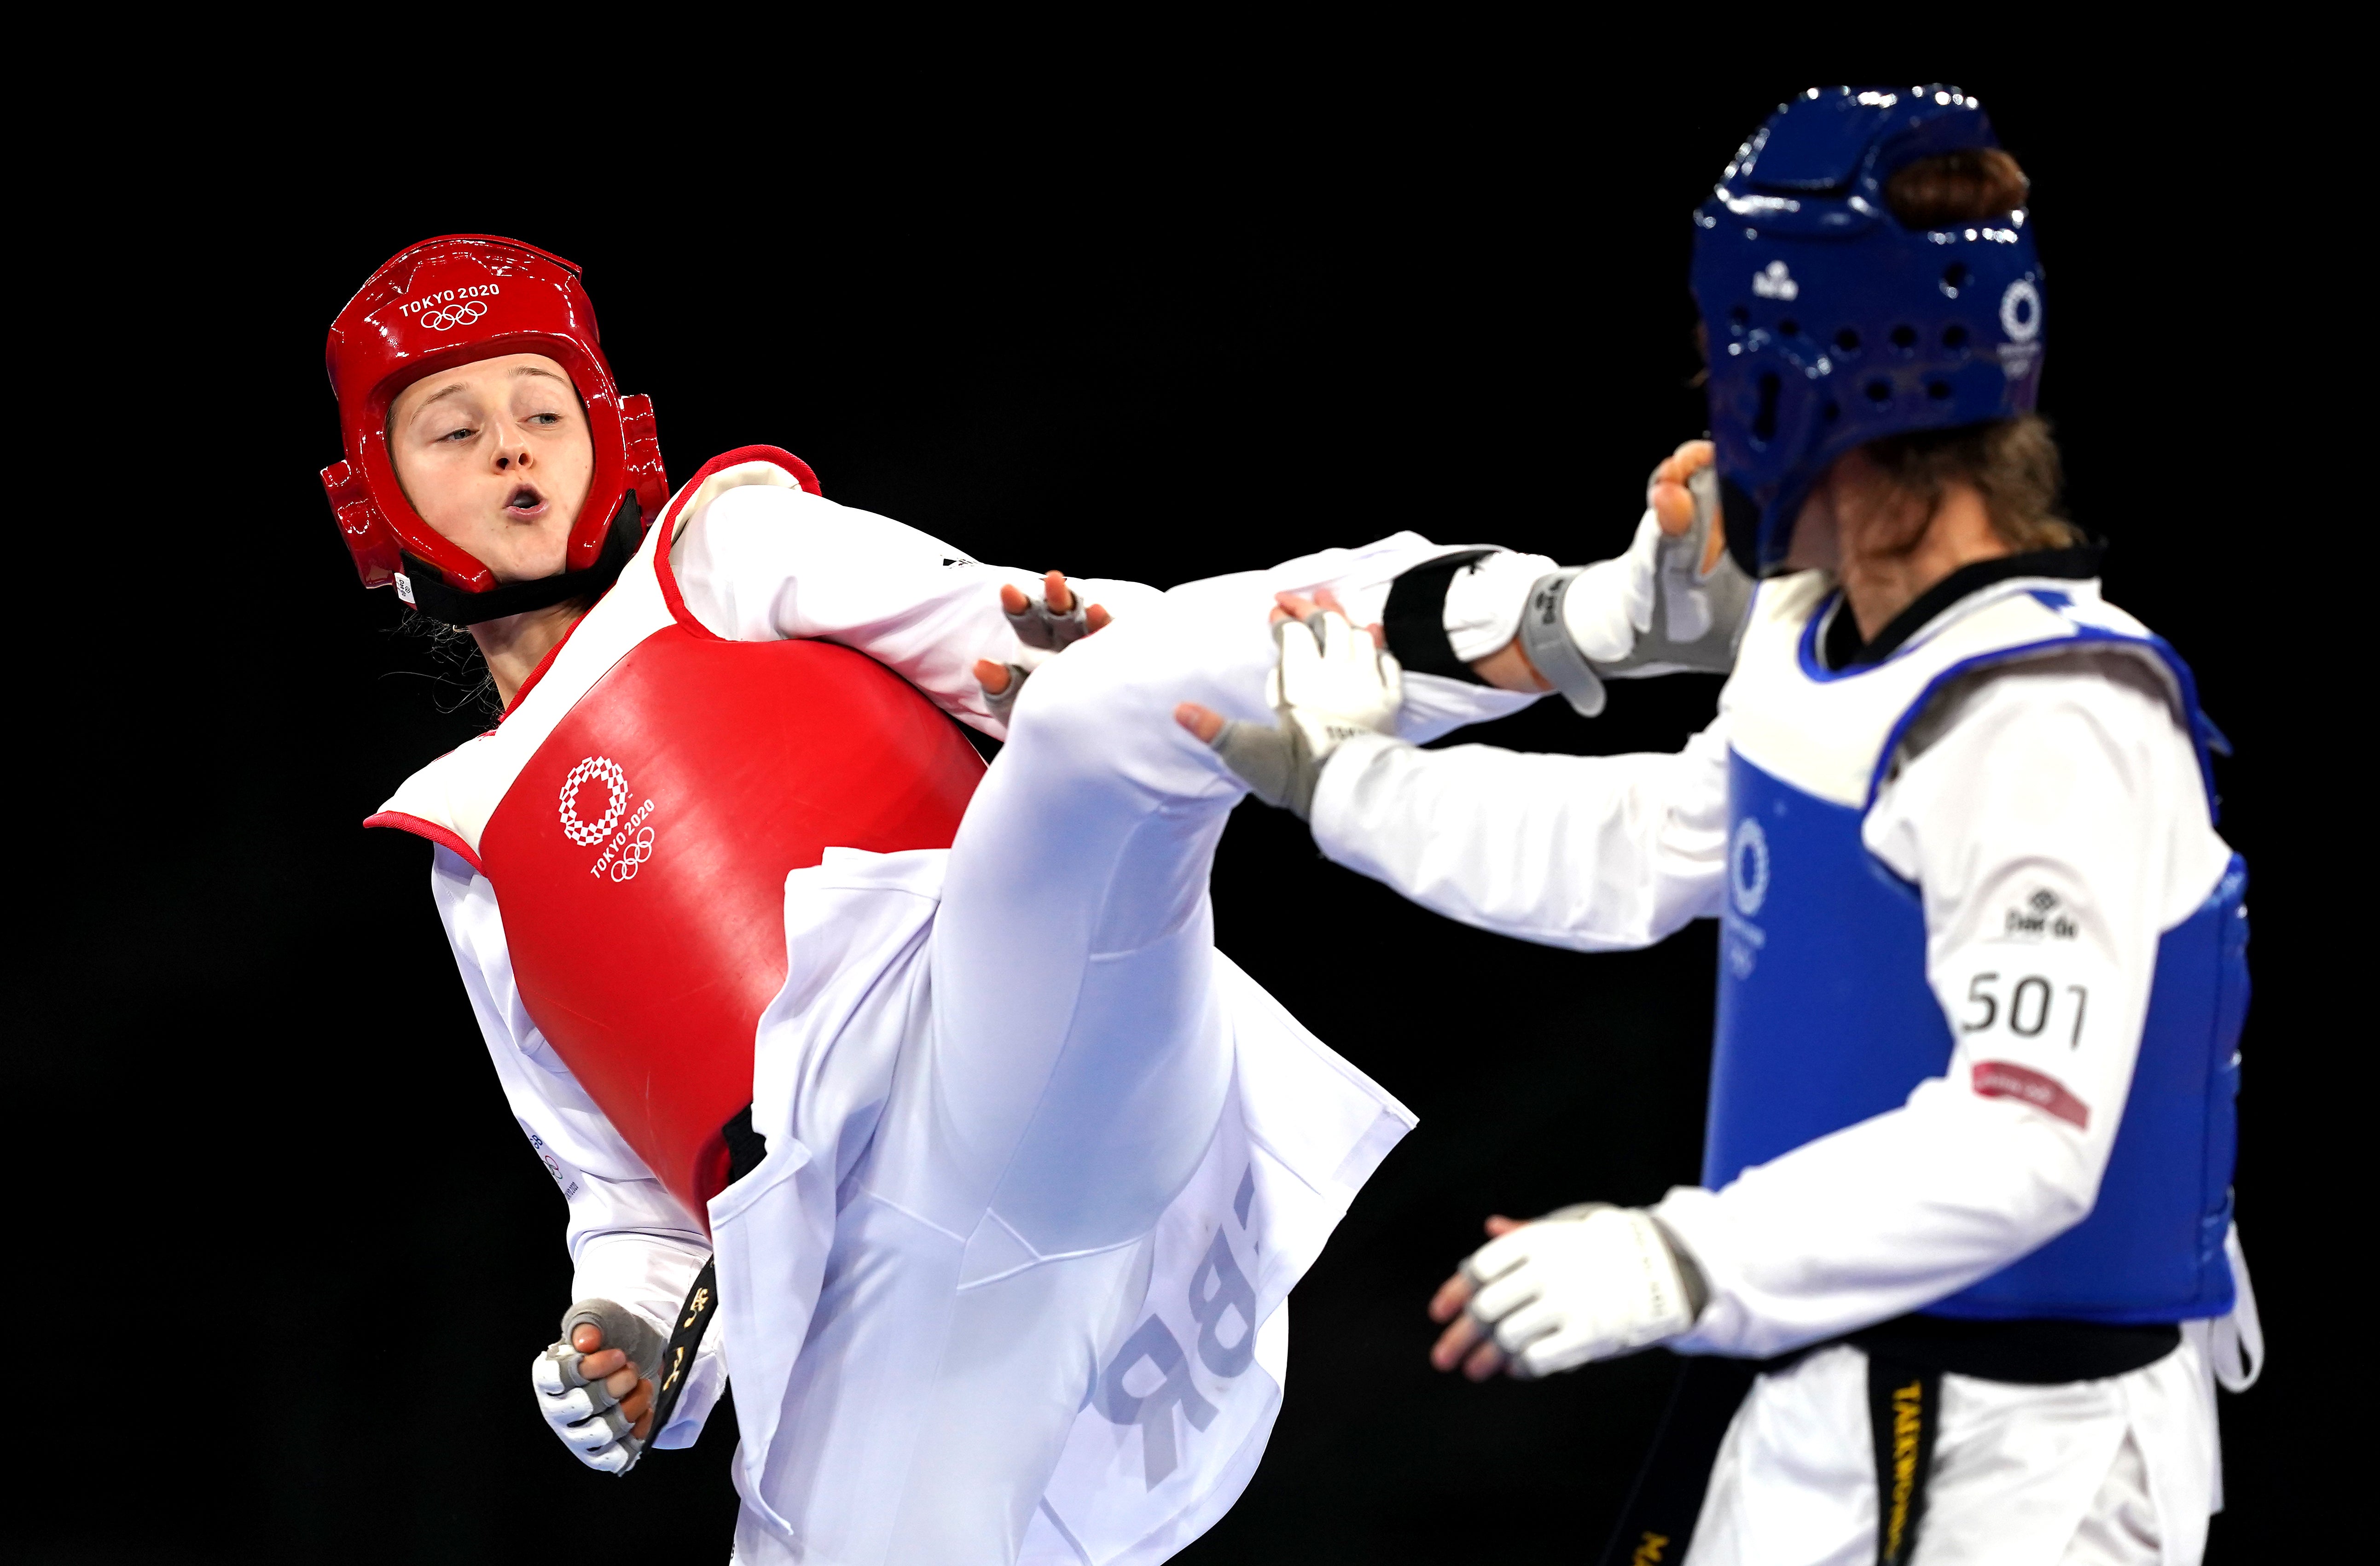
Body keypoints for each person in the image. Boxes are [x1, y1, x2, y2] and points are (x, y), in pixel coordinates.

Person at [324, 233, 1654, 1565]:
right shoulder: (470, 854)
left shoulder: (719, 552)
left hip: (994, 1011)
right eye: (453, 428)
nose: (511, 449)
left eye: (540, 411)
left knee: (1099, 711)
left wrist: (1156, 671)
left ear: (610, 436)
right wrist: (616, 1332)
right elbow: (625, 1202)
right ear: (374, 504)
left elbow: (1012, 633)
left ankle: (1570, 613)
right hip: (880, 1269)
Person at [1181, 88, 2263, 1564]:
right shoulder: (1820, 637)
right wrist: (1349, 784)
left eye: (1718, 366)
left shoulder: (2054, 723)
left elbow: (2024, 1147)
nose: (1706, 413)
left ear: (1799, 385)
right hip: (1811, 1369)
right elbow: (1654, 843)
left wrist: (1673, 1256)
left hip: (2036, 1468)